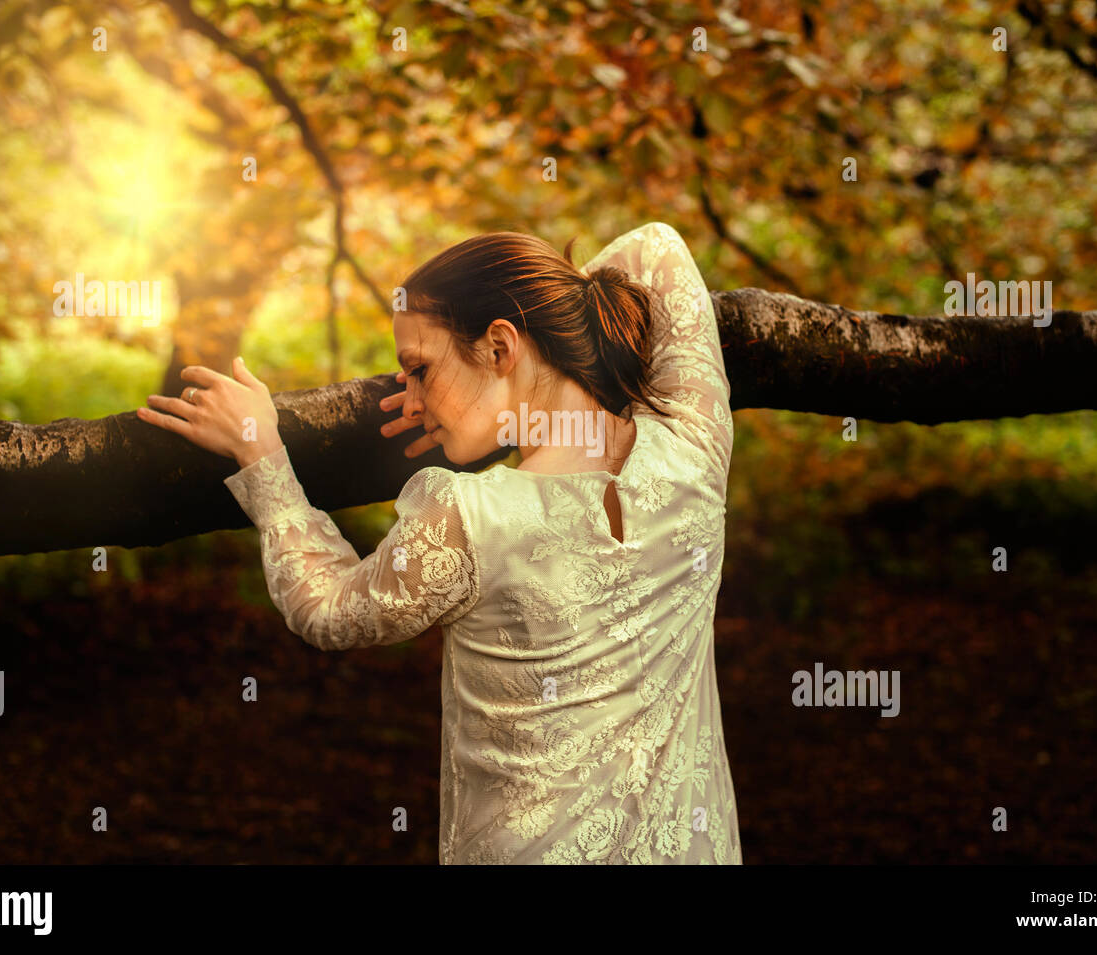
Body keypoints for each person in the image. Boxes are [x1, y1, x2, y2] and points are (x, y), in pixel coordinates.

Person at [136, 221, 741, 864]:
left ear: (500, 347)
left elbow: (326, 610)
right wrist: (553, 336)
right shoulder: (694, 452)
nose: (413, 398)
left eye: (420, 370)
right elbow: (658, 247)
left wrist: (261, 451)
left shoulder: (469, 516)